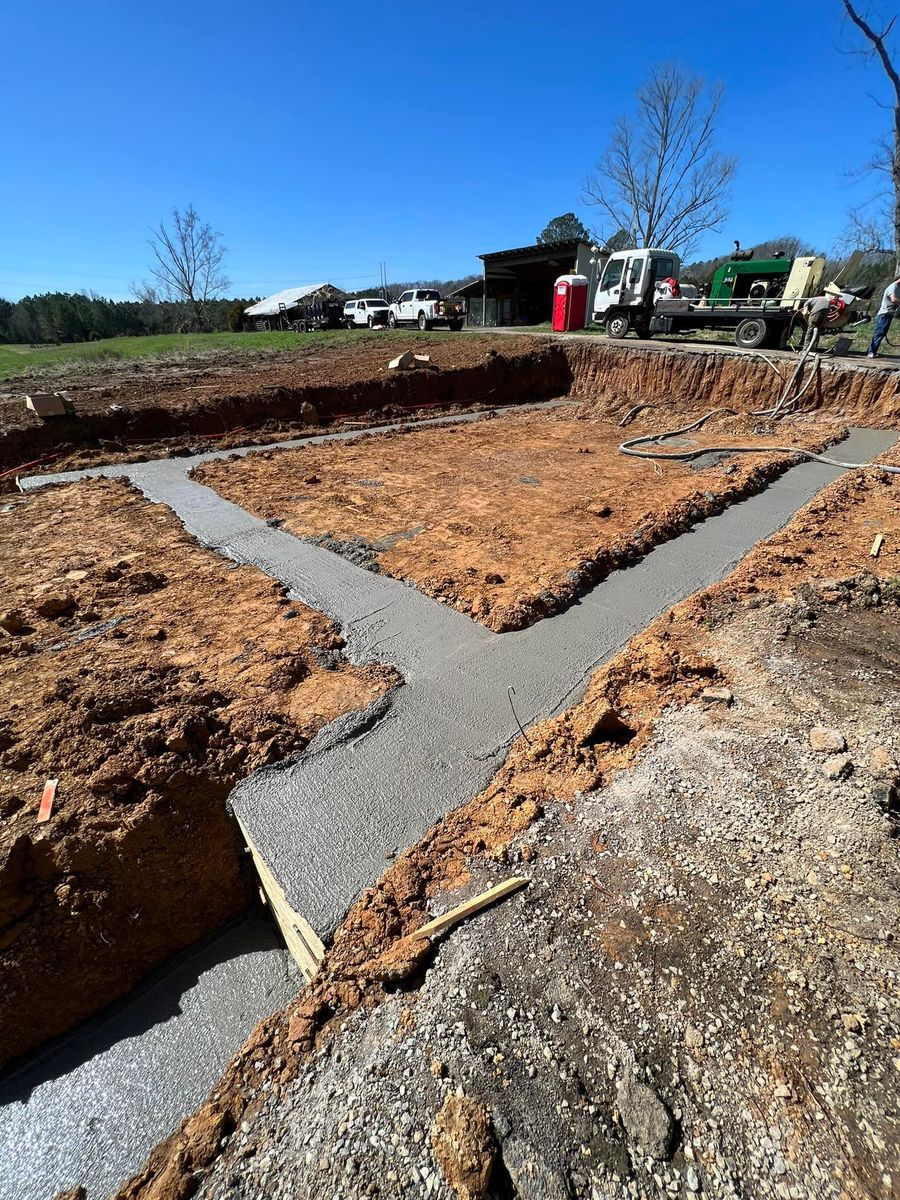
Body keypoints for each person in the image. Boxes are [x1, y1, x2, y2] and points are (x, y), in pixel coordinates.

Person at [867, 277, 900, 357]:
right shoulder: (893, 287)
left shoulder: (898, 288)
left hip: (889, 314)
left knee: (881, 332)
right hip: (884, 313)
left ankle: (871, 351)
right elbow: (893, 299)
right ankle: (871, 352)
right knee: (879, 332)